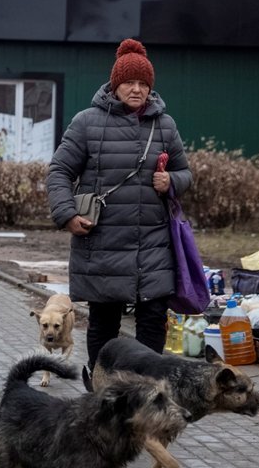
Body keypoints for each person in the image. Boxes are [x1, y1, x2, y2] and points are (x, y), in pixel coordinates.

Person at [45, 38, 192, 372]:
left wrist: (172, 181)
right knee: (104, 322)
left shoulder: (164, 125)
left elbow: (185, 172)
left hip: (152, 243)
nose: (136, 89)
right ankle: (100, 389)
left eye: (143, 83)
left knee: (154, 320)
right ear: (116, 84)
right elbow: (59, 170)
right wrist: (66, 214)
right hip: (103, 242)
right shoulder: (86, 122)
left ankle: (145, 387)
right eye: (129, 82)